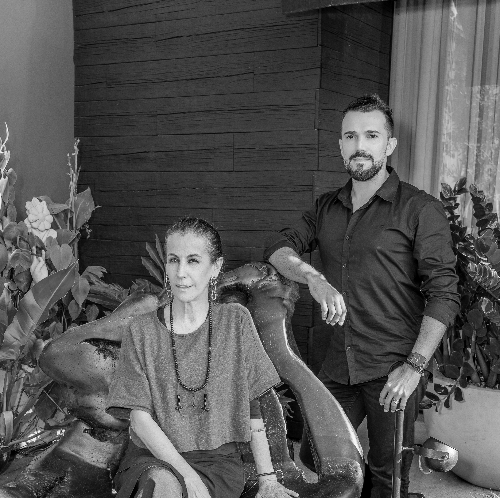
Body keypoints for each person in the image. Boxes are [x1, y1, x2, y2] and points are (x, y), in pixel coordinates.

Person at [263, 94, 460, 498]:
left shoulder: (420, 209)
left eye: (371, 136)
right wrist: (314, 279)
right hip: (338, 364)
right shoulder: (326, 208)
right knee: (318, 463)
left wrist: (414, 366)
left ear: (389, 145)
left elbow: (444, 294)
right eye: (350, 136)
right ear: (340, 145)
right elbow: (279, 247)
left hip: (394, 367)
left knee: (389, 478)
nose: (360, 146)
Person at [106, 217, 299, 498]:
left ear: (215, 267)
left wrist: (268, 479)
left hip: (218, 465)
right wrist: (186, 475)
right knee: (161, 486)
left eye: (193, 261)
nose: (181, 273)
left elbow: (253, 406)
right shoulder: (142, 329)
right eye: (174, 260)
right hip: (154, 459)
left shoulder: (235, 321)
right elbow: (139, 418)